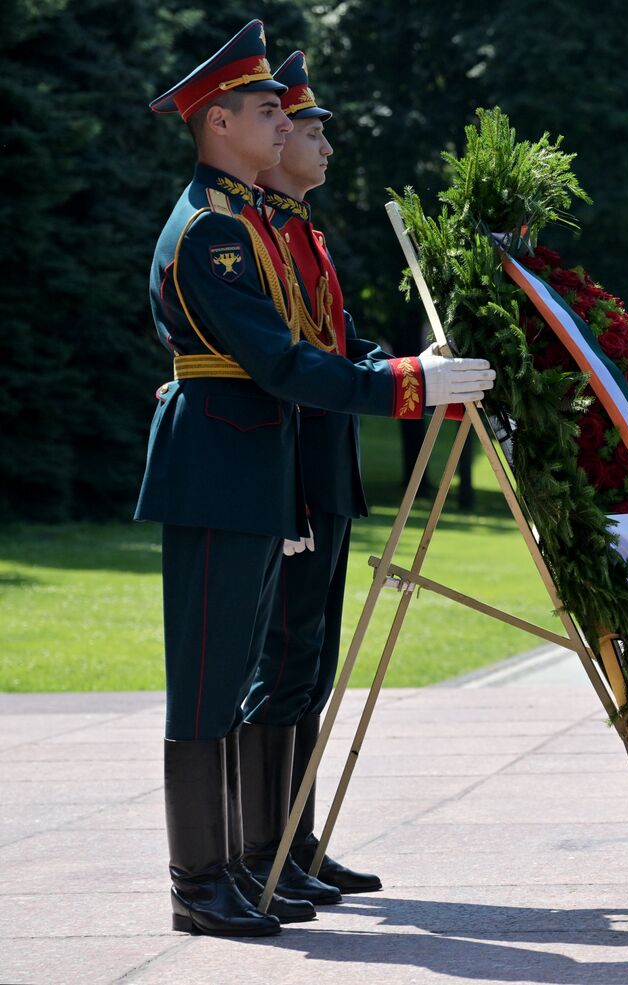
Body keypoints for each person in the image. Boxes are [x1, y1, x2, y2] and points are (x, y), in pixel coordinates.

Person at [139, 21, 495, 936]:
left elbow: (309, 350)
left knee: (256, 670)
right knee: (212, 681)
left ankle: (247, 864)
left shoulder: (247, 223)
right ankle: (202, 880)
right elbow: (281, 362)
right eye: (269, 111)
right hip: (222, 463)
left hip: (253, 464)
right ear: (220, 125)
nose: (289, 125)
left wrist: (403, 373)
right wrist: (410, 383)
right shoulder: (214, 235)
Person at [232, 50, 387, 911]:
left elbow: (345, 346)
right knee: (282, 666)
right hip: (288, 473)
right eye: (304, 129)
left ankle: (297, 839)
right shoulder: (254, 233)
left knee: (312, 668)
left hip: (325, 473)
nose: (319, 145)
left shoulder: (307, 236)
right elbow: (287, 358)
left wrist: (411, 368)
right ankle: (267, 850)